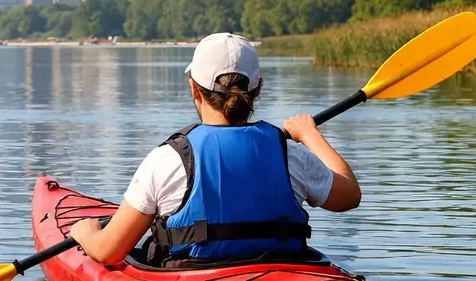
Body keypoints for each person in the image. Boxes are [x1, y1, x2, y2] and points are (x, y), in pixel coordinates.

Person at [69, 33, 362, 267]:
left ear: (194, 89)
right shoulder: (288, 153)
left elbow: (108, 252)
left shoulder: (169, 160)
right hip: (281, 271)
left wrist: (84, 233)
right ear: (258, 89)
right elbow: (348, 195)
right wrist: (310, 135)